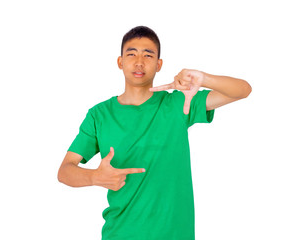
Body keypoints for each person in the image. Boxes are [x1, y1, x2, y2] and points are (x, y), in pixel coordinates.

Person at [57, 26, 252, 240]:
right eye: (131, 54)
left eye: (148, 55)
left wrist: (203, 78)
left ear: (159, 64)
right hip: (120, 234)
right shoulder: (99, 115)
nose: (139, 62)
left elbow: (243, 90)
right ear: (120, 62)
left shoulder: (179, 102)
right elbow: (65, 171)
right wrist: (94, 176)